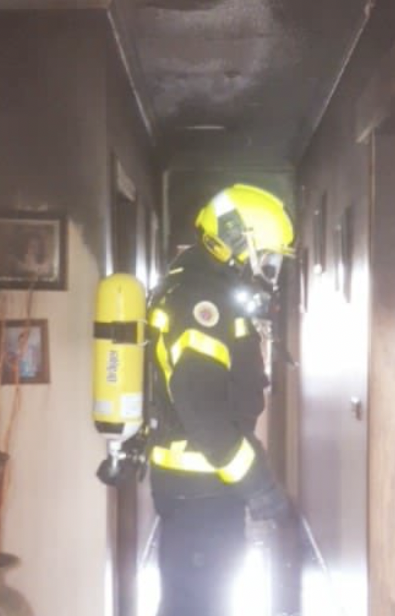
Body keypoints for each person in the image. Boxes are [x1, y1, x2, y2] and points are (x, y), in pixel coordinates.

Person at [146, 184, 296, 616]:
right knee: (198, 606)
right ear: (236, 240)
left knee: (198, 602)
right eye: (265, 255)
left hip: (203, 492)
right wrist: (261, 487)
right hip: (202, 491)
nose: (268, 268)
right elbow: (206, 418)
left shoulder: (205, 289)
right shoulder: (201, 303)